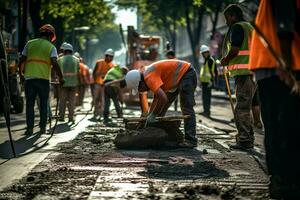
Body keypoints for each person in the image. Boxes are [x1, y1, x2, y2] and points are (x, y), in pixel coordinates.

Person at [249, 0, 300, 198]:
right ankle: (286, 182)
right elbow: (284, 23)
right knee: (287, 127)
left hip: (275, 66)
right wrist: (286, 62)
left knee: (280, 128)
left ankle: (283, 181)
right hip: (281, 67)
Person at [125, 59, 197, 148]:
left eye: (140, 89)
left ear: (140, 83)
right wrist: (150, 115)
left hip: (186, 74)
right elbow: (157, 99)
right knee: (161, 111)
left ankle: (191, 140)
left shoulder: (149, 77)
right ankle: (162, 131)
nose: (141, 91)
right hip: (180, 77)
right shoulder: (147, 75)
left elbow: (163, 98)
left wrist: (153, 115)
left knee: (186, 107)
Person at [220, 4, 255, 150]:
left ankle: (245, 140)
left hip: (243, 73)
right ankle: (248, 138)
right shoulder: (249, 27)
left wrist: (225, 60)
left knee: (241, 108)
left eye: (227, 18)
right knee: (246, 107)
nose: (226, 22)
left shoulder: (237, 27)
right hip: (251, 72)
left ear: (233, 16)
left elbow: (234, 50)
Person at [18, 24, 63, 134]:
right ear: (51, 36)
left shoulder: (30, 44)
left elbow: (22, 60)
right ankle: (42, 128)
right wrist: (61, 77)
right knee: (43, 104)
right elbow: (54, 63)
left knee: (30, 105)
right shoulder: (51, 47)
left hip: (29, 79)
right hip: (43, 79)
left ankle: (29, 129)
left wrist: (21, 75)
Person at [57, 43, 80, 123]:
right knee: (71, 101)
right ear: (71, 51)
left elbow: (57, 71)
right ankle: (71, 118)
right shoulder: (77, 60)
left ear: (64, 51)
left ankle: (62, 117)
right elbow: (78, 71)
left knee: (62, 100)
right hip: (73, 83)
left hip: (63, 83)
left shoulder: (60, 59)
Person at [92, 48, 114, 119]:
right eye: (109, 56)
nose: (110, 58)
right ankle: (96, 112)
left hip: (105, 86)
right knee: (96, 99)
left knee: (103, 100)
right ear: (106, 56)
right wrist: (94, 81)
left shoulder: (112, 66)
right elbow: (94, 72)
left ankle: (101, 113)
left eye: (111, 57)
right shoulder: (99, 62)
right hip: (97, 84)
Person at [199, 45, 215, 117]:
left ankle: (207, 112)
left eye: (205, 53)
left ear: (208, 52)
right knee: (204, 97)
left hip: (208, 82)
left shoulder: (210, 60)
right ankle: (205, 111)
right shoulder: (206, 61)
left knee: (207, 98)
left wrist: (212, 81)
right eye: (203, 53)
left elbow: (213, 72)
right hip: (204, 82)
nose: (204, 54)